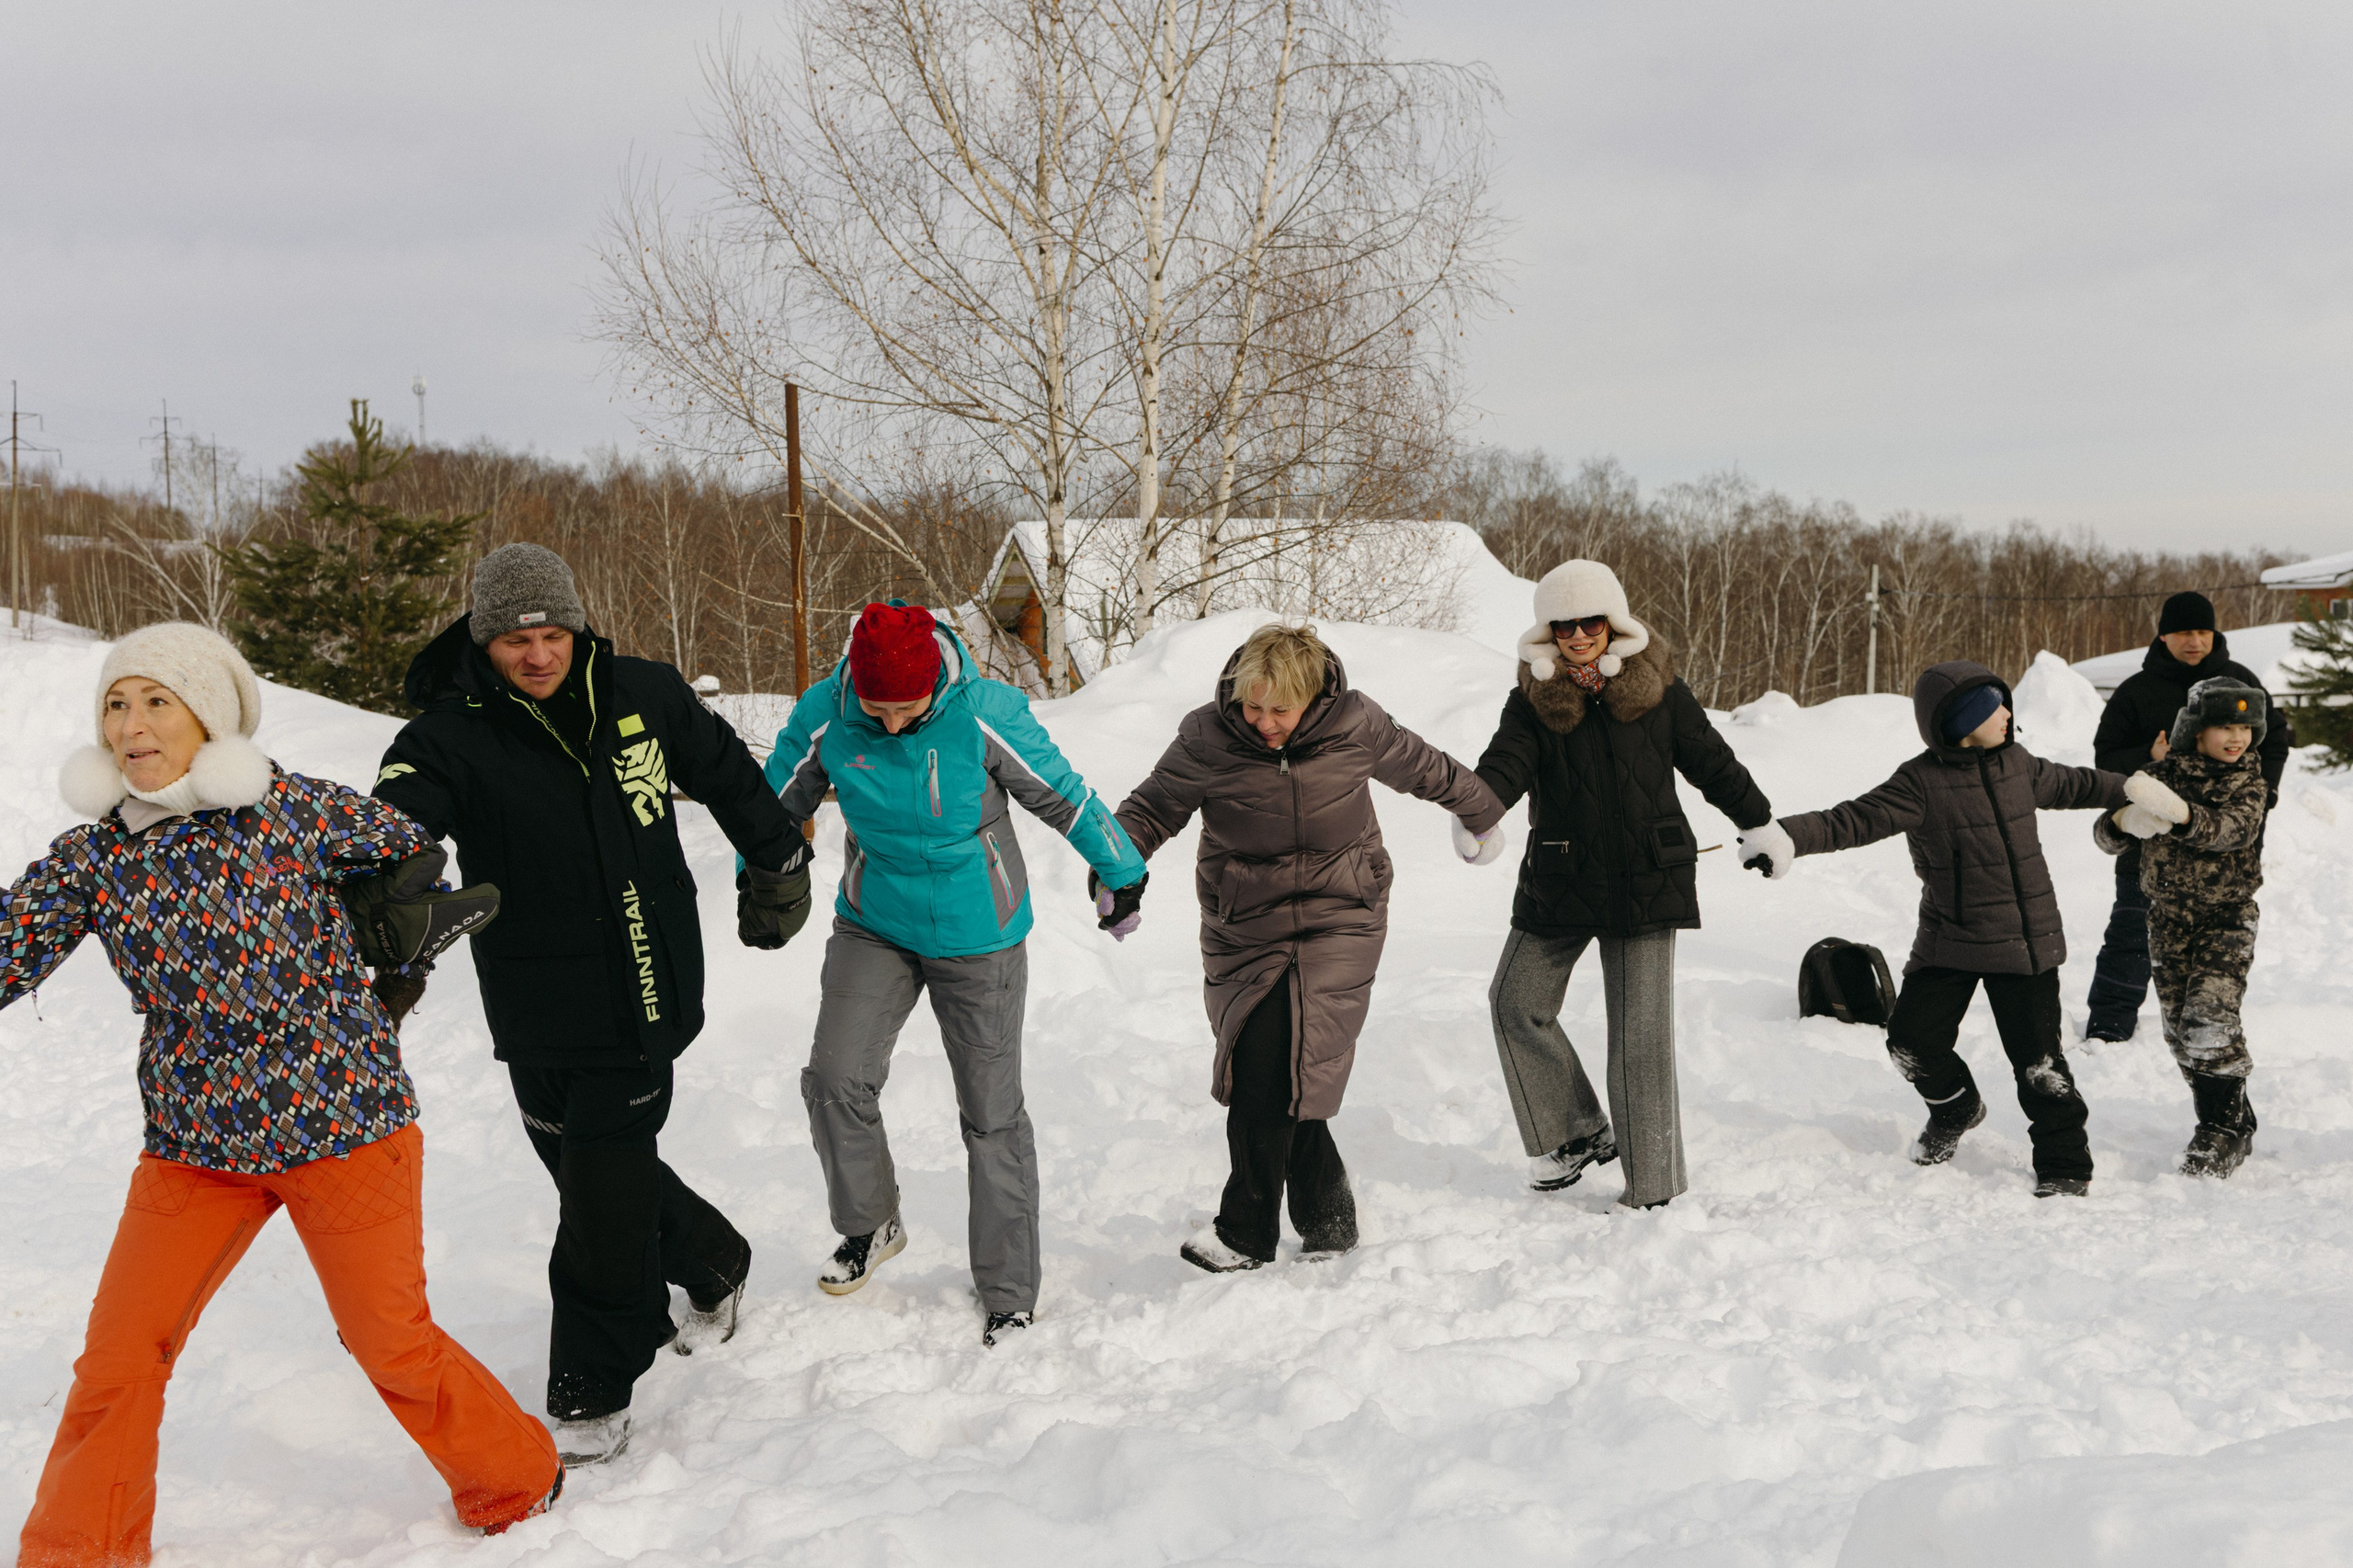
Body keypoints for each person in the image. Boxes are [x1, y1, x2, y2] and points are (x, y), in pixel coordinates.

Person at [15, 623, 560, 1565]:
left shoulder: (294, 809)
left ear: (209, 717)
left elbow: (407, 854)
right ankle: (79, 1550)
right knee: (116, 1358)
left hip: (343, 1123)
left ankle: (515, 1472)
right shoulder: (92, 856)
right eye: (115, 703)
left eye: (156, 701)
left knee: (389, 1340)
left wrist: (392, 952)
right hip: (195, 1147)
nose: (132, 725)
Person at [373, 543, 806, 1465]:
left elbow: (727, 771)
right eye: (514, 639)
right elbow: (401, 808)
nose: (536, 654)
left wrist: (775, 856)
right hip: (533, 992)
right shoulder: (450, 733)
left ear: (576, 625)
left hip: (647, 981)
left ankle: (593, 1380)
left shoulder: (643, 692)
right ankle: (714, 1257)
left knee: (602, 1188)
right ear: (482, 641)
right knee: (579, 1159)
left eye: (551, 633)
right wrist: (395, 875)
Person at [764, 602, 1147, 1346]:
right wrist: (764, 874)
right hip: (875, 921)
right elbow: (773, 804)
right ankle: (870, 1223)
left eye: (909, 707)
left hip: (981, 932)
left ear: (935, 679)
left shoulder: (982, 710)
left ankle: (1008, 1290)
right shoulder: (829, 714)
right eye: (879, 708)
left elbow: (1061, 793)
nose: (896, 722)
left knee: (991, 1114)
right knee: (834, 1077)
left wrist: (1120, 868)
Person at [1112, 621, 1502, 1272]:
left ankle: (1244, 1232)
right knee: (1277, 1066)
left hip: (1341, 913)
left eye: (1279, 709)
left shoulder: (1356, 724)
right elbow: (1152, 808)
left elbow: (1426, 768)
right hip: (1244, 921)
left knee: (1270, 1067)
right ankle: (1329, 1216)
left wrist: (1481, 812)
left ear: (1314, 698)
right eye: (1251, 705)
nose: (1263, 721)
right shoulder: (1207, 737)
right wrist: (1115, 869)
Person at [1745, 662, 2128, 1196]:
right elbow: (1851, 819)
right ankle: (1955, 1107)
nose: (2007, 714)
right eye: (1993, 708)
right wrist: (1787, 836)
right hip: (1952, 939)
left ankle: (2065, 1163)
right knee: (1910, 1041)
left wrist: (2133, 790)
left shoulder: (2020, 765)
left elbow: (2079, 783)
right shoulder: (1920, 783)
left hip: (2025, 942)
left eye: (2004, 703)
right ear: (1959, 723)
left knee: (2040, 1065)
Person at [1475, 561, 1777, 1210]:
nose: (1579, 635)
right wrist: (1478, 813)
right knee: (1513, 1001)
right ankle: (1574, 1134)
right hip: (1560, 876)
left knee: (1639, 1036)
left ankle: (1656, 1187)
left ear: (1612, 623)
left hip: (1648, 873)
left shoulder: (1659, 688)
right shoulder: (1533, 697)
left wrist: (1759, 822)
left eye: (1590, 622)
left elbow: (1712, 762)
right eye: (1565, 624)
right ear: (1548, 630)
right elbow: (1506, 762)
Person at [2083, 591, 2291, 1043]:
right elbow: (2106, 756)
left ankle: (2208, 1027)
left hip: (2224, 848)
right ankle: (2108, 1026)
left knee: (2218, 941)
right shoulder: (2136, 692)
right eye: (2183, 632)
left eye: (2202, 631)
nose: (2194, 641)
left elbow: (2274, 740)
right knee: (2131, 930)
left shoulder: (2239, 682)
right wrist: (2148, 756)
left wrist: (2262, 795)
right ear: (2164, 636)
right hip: (2151, 847)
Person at [2093, 676, 2271, 1176]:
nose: (2236, 737)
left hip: (2226, 918)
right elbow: (2105, 837)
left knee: (2209, 1019)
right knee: (2179, 1033)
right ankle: (2231, 1117)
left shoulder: (2249, 782)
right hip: (2167, 920)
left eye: (2244, 726)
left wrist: (2183, 814)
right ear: (2195, 730)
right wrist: (2123, 823)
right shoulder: (2158, 775)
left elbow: (2229, 831)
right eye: (2223, 727)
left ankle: (2220, 1130)